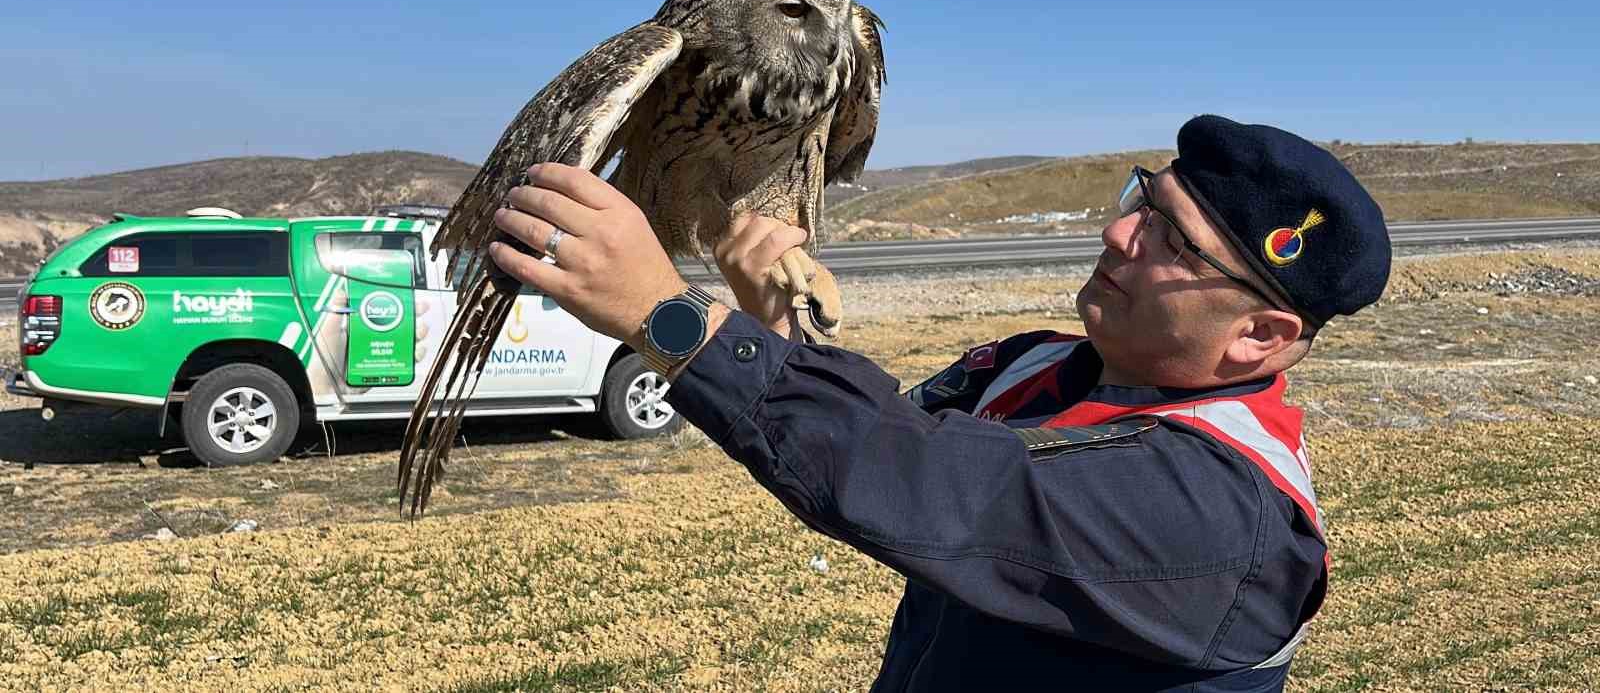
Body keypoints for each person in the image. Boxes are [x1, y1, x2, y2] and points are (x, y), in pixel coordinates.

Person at [485, 114, 1391, 692]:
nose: (1117, 232)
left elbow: (926, 482)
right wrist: (774, 326)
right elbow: (884, 446)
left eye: (1171, 242)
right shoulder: (1042, 365)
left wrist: (669, 317)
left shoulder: (1218, 513)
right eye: (1142, 200)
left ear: (1261, 337)